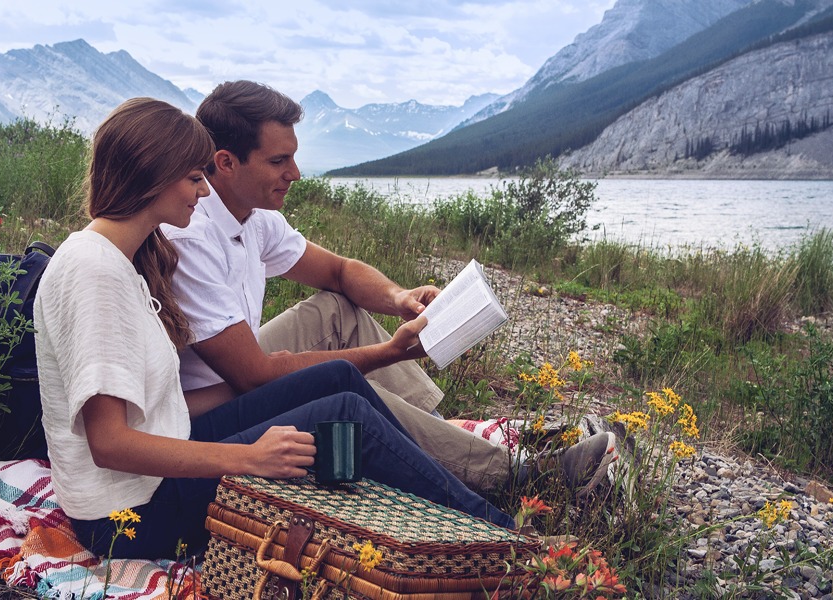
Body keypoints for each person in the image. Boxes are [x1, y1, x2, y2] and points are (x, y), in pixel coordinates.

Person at [33, 97, 514, 560]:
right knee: (344, 415)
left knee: (335, 384)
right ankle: (508, 541)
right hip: (129, 513)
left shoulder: (120, 261)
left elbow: (165, 406)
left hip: (165, 458)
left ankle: (458, 500)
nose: (203, 192)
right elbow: (109, 443)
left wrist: (295, 391)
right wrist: (248, 457)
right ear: (151, 176)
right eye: (194, 178)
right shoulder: (94, 272)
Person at [165, 80, 617, 497]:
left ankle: (439, 438)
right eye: (279, 161)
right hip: (206, 413)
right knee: (341, 382)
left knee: (336, 310)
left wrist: (399, 298)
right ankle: (511, 476)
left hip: (236, 374)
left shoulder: (256, 217)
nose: (296, 173)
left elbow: (340, 271)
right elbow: (254, 377)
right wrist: (390, 353)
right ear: (225, 162)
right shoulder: (191, 237)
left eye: (294, 157)